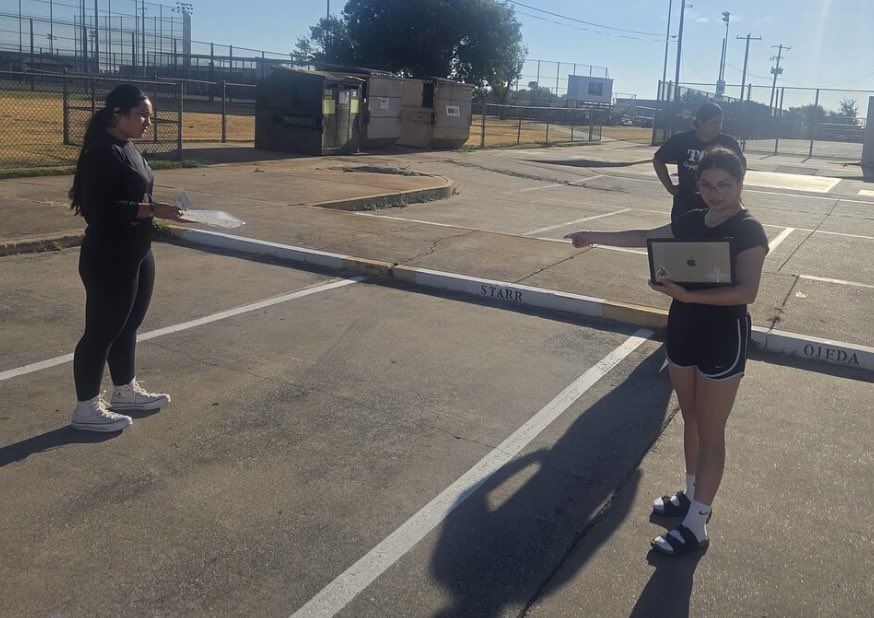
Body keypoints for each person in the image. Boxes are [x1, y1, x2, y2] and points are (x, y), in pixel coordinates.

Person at [564, 147, 768, 556]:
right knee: (690, 417)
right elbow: (647, 237)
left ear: (740, 182)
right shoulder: (694, 219)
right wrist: (594, 237)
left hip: (723, 335)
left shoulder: (749, 229)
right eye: (707, 185)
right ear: (698, 185)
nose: (715, 193)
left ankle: (697, 525)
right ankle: (691, 494)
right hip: (684, 329)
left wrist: (686, 295)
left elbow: (747, 292)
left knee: (712, 431)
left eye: (724, 185)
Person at [68, 84, 183, 432]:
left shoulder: (128, 147)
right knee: (101, 332)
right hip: (109, 256)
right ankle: (86, 407)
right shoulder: (102, 151)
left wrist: (158, 208)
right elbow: (98, 208)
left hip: (137, 250)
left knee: (127, 327)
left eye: (150, 115)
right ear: (118, 115)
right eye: (142, 115)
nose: (148, 121)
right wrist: (151, 209)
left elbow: (134, 193)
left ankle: (125, 391)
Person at [653, 102, 746, 221]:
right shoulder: (682, 140)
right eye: (714, 122)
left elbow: (741, 164)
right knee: (682, 237)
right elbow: (658, 160)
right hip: (686, 204)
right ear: (700, 122)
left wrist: (738, 187)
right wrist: (669, 186)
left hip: (720, 204)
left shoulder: (728, 143)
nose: (717, 127)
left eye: (720, 123)